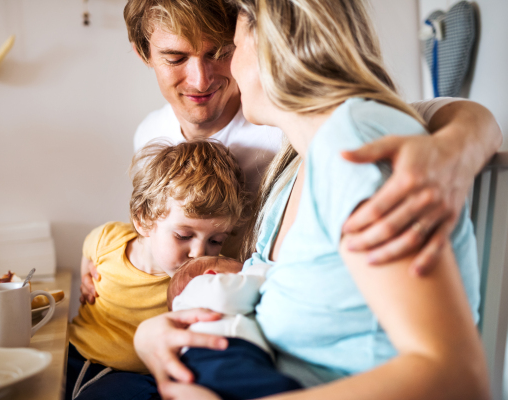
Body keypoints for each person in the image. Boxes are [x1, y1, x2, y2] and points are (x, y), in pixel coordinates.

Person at [134, 0, 490, 399]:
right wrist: (152, 333)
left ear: (267, 40)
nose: (222, 72)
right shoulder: (296, 163)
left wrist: (459, 145)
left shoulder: (354, 147)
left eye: (226, 51)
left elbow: (457, 375)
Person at [80, 0, 502, 304]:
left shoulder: (290, 124)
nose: (201, 77)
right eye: (175, 57)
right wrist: (102, 259)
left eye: (220, 53)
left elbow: (447, 115)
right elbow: (156, 225)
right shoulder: (150, 135)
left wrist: (452, 153)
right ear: (143, 53)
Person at [66, 140, 248, 400]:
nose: (198, 253)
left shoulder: (203, 278)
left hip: (135, 376)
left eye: (216, 241)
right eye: (183, 235)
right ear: (143, 220)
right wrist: (87, 276)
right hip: (75, 352)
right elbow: (89, 248)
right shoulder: (109, 239)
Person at [168, 256, 302, 399]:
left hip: (234, 359)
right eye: (240, 276)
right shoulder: (196, 289)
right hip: (215, 357)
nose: (244, 279)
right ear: (213, 276)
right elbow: (224, 295)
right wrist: (258, 272)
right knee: (282, 389)